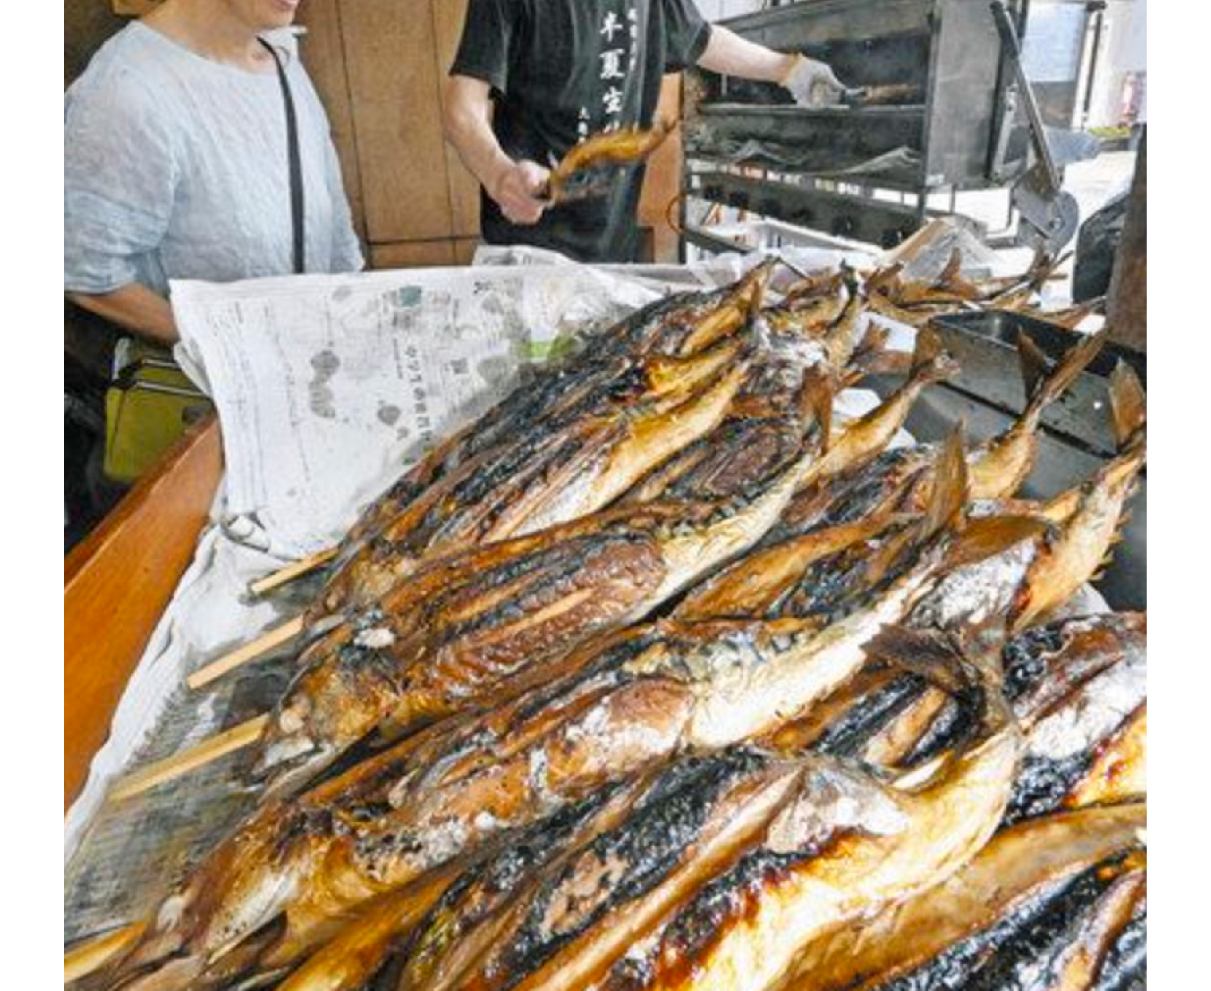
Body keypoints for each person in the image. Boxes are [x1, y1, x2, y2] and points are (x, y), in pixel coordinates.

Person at [444, 0, 845, 263]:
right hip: (529, 246)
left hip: (610, 242)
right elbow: (463, 109)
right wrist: (500, 174)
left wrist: (788, 69)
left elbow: (700, 40)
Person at [64, 0, 363, 346]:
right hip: (199, 390)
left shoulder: (285, 70)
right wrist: (230, 350)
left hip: (303, 371)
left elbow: (337, 238)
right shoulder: (127, 91)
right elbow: (86, 274)